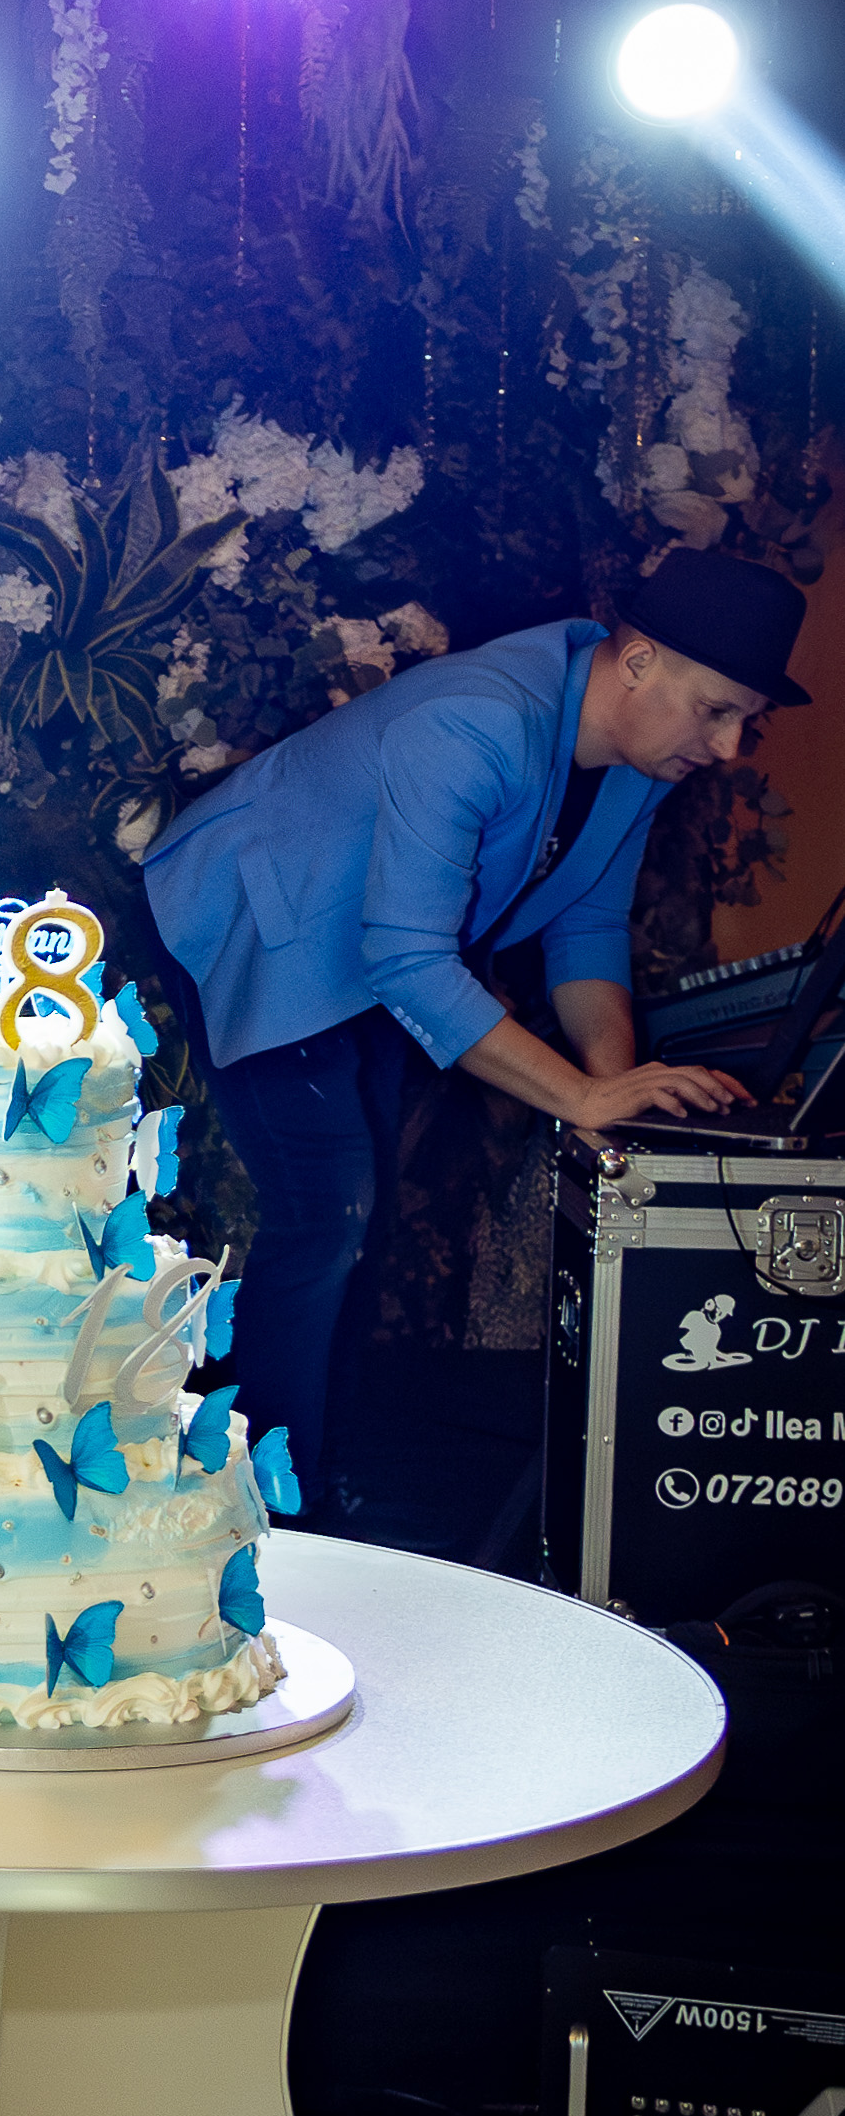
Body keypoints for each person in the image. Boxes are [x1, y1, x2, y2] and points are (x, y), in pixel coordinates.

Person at [143, 548, 810, 1504]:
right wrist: (579, 1094)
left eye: (748, 719)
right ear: (638, 662)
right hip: (263, 912)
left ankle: (315, 1469)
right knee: (329, 1214)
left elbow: (587, 931)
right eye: (717, 710)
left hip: (375, 946)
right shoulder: (479, 719)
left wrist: (610, 1101)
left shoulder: (636, 761)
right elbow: (410, 961)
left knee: (359, 1215)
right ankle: (261, 1503)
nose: (732, 745)